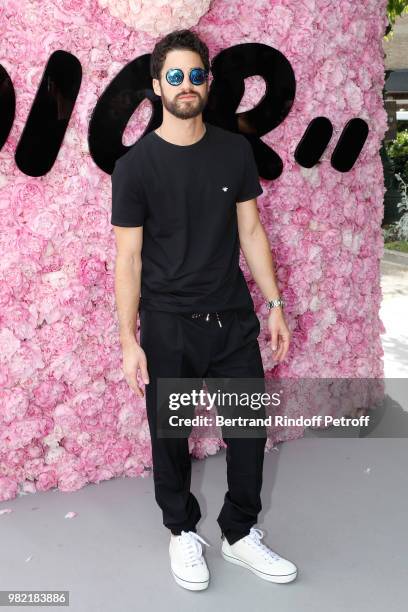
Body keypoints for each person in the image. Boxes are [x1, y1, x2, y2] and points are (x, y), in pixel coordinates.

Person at [110, 28, 297, 591]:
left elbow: (251, 230)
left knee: (248, 432)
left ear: (207, 83)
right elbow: (129, 259)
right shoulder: (135, 167)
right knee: (169, 438)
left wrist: (275, 304)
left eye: (196, 75)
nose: (186, 85)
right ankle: (182, 532)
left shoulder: (233, 150)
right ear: (156, 86)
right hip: (168, 326)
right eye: (175, 76)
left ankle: (239, 534)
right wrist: (128, 338)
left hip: (233, 321)